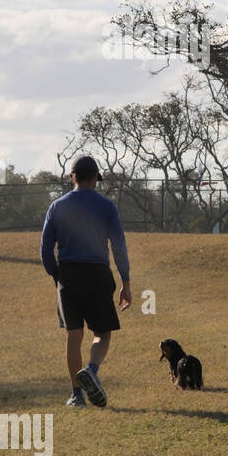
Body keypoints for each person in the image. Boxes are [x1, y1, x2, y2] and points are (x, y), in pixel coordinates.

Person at [40, 156, 132, 408]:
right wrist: (125, 281)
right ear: (94, 178)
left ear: (73, 177)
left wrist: (57, 275)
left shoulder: (57, 207)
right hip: (97, 273)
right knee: (102, 333)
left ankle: (76, 395)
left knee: (74, 335)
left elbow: (46, 250)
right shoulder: (106, 207)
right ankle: (91, 369)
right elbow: (119, 246)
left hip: (68, 273)